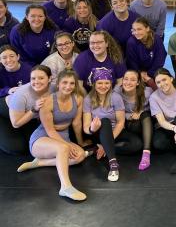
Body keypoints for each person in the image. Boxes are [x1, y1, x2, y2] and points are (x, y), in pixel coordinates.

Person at [17, 70, 87, 201]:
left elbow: (77, 123)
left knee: (80, 156)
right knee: (63, 149)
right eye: (65, 82)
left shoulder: (78, 99)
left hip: (62, 137)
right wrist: (66, 145)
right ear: (58, 84)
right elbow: (50, 131)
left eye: (72, 83)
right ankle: (65, 187)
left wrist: (80, 143)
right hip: (42, 138)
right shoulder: (47, 101)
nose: (68, 86)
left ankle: (39, 163)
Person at [83, 68, 126, 182]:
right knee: (105, 120)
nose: (103, 86)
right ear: (94, 84)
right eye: (100, 83)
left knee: (136, 144)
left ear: (111, 84)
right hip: (97, 132)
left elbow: (120, 122)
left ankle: (100, 148)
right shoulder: (88, 99)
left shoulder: (115, 97)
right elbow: (86, 127)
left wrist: (106, 143)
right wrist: (92, 129)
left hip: (113, 132)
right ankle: (113, 163)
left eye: (107, 83)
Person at [0, 65, 53, 155]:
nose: (36, 82)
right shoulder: (21, 94)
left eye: (41, 78)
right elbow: (16, 123)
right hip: (5, 114)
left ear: (50, 78)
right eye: (33, 78)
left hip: (27, 116)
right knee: (18, 148)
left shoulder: (54, 88)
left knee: (35, 144)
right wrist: (34, 109)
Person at [114, 70, 154, 170]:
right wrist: (130, 116)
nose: (128, 82)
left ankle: (146, 155)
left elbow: (155, 108)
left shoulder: (147, 92)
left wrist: (140, 112)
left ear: (138, 82)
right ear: (122, 80)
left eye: (132, 80)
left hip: (145, 123)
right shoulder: (117, 91)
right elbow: (114, 112)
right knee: (136, 145)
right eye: (126, 79)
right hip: (129, 124)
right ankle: (108, 146)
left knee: (145, 114)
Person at [126, 17, 167, 90]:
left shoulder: (156, 39)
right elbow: (132, 62)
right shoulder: (131, 42)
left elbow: (160, 58)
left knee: (165, 85)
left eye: (139, 29)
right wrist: (140, 73)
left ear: (147, 28)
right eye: (134, 30)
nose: (136, 33)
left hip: (154, 71)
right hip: (138, 72)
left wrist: (149, 74)